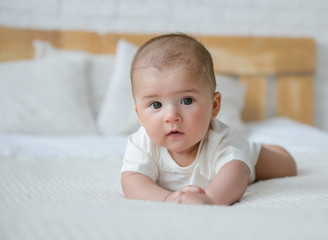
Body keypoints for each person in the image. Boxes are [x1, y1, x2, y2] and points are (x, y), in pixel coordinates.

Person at [121, 33, 297, 205]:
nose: (171, 116)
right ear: (140, 116)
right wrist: (167, 198)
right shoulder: (141, 143)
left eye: (187, 100)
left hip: (247, 156)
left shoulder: (223, 141)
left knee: (287, 166)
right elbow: (132, 180)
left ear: (214, 106)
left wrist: (211, 198)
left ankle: (261, 148)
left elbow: (237, 172)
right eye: (156, 105)